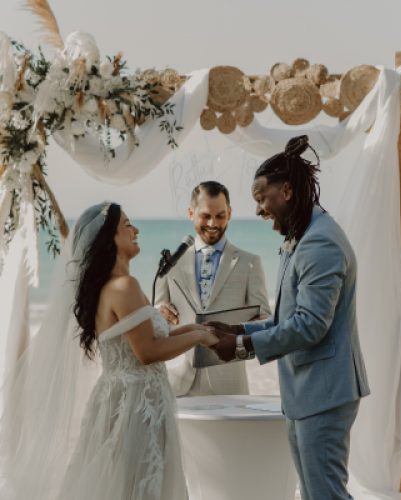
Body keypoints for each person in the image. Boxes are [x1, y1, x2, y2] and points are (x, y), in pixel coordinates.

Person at [0, 202, 219, 500]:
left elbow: (153, 339)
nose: (136, 230)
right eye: (127, 224)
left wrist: (198, 330)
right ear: (109, 238)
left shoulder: (116, 286)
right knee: (136, 484)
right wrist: (198, 340)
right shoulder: (124, 286)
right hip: (135, 402)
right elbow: (147, 352)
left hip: (130, 397)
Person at [207, 136, 371, 500]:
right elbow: (288, 318)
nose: (259, 210)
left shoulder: (320, 242)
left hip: (324, 392)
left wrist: (238, 347)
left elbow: (311, 325)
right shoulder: (301, 237)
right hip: (307, 392)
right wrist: (236, 329)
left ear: (288, 191)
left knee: (325, 494)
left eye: (262, 199)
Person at [154, 181, 272, 396]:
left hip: (230, 384)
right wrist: (157, 311)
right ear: (191, 213)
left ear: (229, 213)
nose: (213, 223)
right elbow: (155, 327)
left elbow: (266, 322)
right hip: (177, 383)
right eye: (205, 216)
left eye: (220, 216)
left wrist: (238, 332)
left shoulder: (250, 263)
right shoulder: (170, 263)